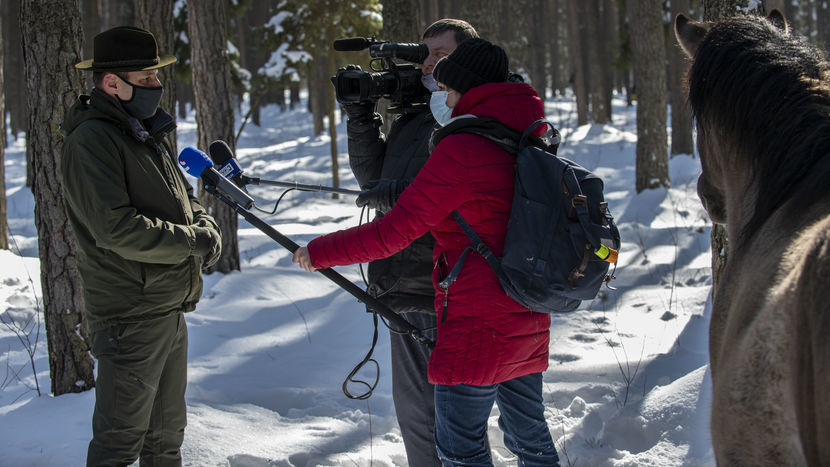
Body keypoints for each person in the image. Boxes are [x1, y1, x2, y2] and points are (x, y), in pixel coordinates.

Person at [297, 38, 559, 466]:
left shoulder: (463, 149)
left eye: (449, 91)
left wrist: (319, 251)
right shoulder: (530, 135)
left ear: (469, 91)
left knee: (459, 449)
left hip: (476, 322)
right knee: (530, 438)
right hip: (526, 312)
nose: (444, 100)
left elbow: (392, 233)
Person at [60, 26, 222, 466]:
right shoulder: (92, 140)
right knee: (119, 445)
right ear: (112, 82)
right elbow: (117, 229)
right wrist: (193, 242)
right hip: (129, 318)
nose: (157, 86)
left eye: (157, 76)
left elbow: (182, 198)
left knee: (166, 441)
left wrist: (205, 223)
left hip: (167, 310)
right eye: (146, 77)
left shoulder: (143, 130)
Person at [340, 18, 478, 467]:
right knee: (415, 414)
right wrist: (360, 117)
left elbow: (459, 193)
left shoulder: (472, 118)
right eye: (426, 52)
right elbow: (374, 180)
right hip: (403, 283)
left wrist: (400, 198)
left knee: (448, 415)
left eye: (442, 52)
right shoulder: (419, 114)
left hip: (448, 285)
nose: (430, 61)